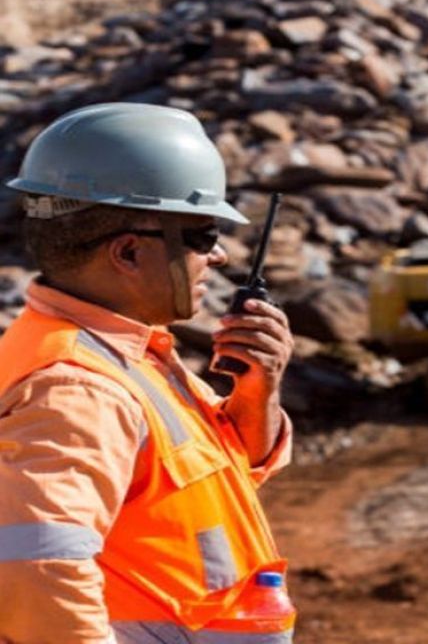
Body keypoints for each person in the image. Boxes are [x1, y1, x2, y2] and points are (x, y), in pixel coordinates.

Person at [0, 103, 297, 642]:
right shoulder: (78, 388)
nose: (222, 256)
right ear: (129, 252)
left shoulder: (130, 355)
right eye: (203, 236)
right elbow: (36, 569)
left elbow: (210, 485)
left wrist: (257, 397)